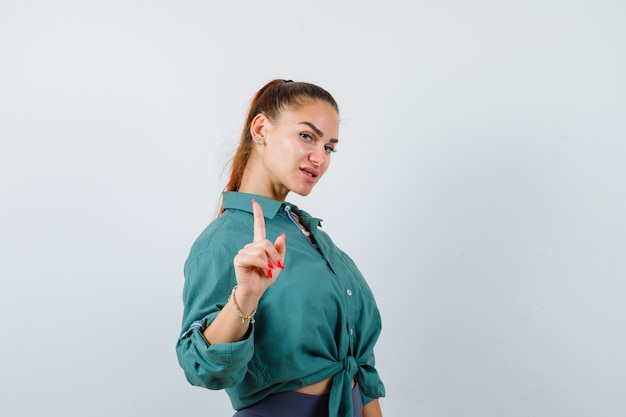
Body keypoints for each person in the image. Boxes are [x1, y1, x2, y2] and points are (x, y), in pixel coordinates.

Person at [176, 79, 386, 417]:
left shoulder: (311, 236)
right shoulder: (221, 242)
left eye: (329, 147)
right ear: (261, 129)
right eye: (307, 136)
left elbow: (362, 367)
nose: (319, 157)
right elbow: (202, 367)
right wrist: (245, 296)